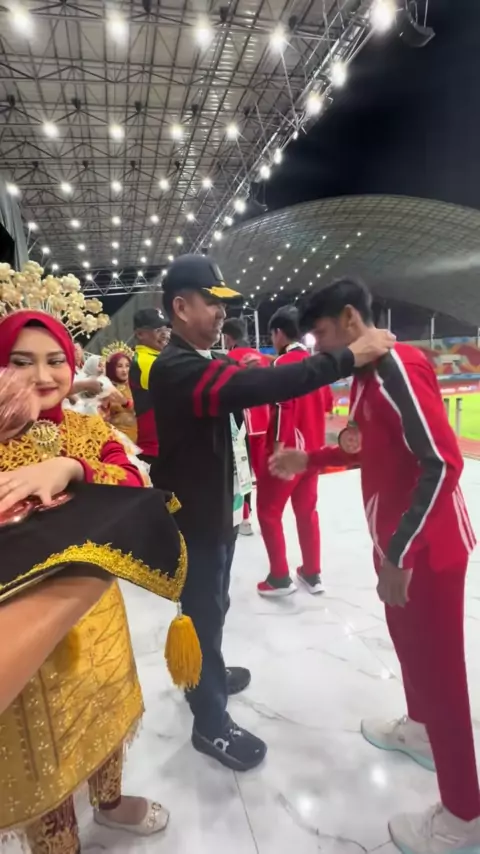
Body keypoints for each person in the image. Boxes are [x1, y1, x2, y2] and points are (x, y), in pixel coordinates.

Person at [149, 253, 395, 773]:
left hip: (213, 509)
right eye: (212, 302)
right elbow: (260, 387)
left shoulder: (200, 360)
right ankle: (209, 723)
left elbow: (239, 378)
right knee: (204, 611)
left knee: (214, 606)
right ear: (180, 307)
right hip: (196, 518)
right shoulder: (176, 368)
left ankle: (204, 675)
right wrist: (346, 357)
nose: (222, 313)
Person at [270, 277, 480, 854]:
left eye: (320, 334)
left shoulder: (397, 368)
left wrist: (402, 553)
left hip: (427, 549)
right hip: (396, 542)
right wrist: (310, 458)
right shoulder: (365, 375)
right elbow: (369, 447)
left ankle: (465, 815)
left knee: (442, 673)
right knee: (406, 642)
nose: (318, 347)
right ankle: (420, 728)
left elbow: (443, 464)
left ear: (349, 319)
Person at [0, 310, 169, 852]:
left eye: (55, 361)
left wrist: (72, 468)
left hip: (95, 608)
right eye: (21, 362)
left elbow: (134, 484)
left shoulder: (87, 428)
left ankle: (110, 802)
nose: (42, 376)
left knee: (103, 707)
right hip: (26, 630)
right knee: (43, 753)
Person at [256, 306, 328, 597]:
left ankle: (279, 577)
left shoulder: (282, 364)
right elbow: (326, 404)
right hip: (313, 452)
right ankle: (312, 572)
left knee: (268, 512)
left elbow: (282, 407)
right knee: (307, 512)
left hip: (288, 452)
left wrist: (277, 450)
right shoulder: (317, 363)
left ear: (278, 333)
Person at [222, 317, 270, 536]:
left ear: (228, 337)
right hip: (263, 423)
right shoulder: (262, 358)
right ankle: (267, 517)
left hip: (240, 425)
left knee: (242, 474)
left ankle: (244, 519)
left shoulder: (228, 359)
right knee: (263, 474)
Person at [129, 308, 170, 466]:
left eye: (166, 329)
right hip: (154, 449)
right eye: (158, 330)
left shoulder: (159, 357)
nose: (165, 334)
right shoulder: (144, 361)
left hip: (163, 444)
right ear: (140, 334)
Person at [103, 341, 137, 443]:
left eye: (127, 366)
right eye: (119, 366)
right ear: (111, 368)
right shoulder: (107, 389)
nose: (124, 370)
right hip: (119, 439)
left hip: (141, 436)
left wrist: (125, 403)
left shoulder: (136, 385)